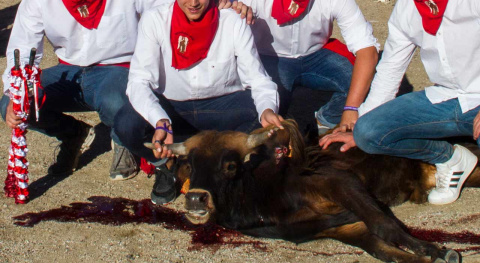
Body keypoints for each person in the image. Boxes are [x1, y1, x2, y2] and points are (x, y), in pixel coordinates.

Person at [0, 0, 250, 181]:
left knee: (118, 99)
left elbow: (170, 9)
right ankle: (72, 133)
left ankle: (122, 142)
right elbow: (21, 52)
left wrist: (218, 5)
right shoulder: (37, 2)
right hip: (69, 71)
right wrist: (18, 92)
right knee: (11, 105)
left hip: (118, 69)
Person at [113, 0, 283, 205]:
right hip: (173, 109)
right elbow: (139, 81)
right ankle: (166, 164)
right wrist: (160, 120)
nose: (193, 3)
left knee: (270, 116)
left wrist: (267, 109)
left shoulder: (232, 21)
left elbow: (258, 79)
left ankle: (220, 163)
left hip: (221, 106)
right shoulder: (154, 19)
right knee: (126, 124)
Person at [320, 0, 480, 205]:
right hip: (444, 97)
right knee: (368, 131)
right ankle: (450, 158)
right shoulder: (407, 8)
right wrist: (358, 130)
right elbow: (390, 70)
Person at [238, 0, 379, 133]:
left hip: (316, 54)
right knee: (263, 106)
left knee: (366, 81)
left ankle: (327, 119)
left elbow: (367, 50)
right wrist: (236, 9)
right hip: (270, 56)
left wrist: (351, 108)